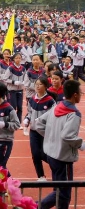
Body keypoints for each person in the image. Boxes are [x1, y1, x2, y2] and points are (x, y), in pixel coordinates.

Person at [36, 80, 84, 209]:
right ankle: (37, 206)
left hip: (51, 154)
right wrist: (81, 144)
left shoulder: (56, 107)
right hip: (63, 157)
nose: (81, 95)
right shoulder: (73, 114)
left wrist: (50, 136)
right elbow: (68, 136)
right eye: (80, 92)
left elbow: (38, 123)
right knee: (64, 193)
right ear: (75, 94)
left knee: (58, 187)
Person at [23, 77, 55, 181]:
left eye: (40, 84)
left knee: (45, 153)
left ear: (46, 86)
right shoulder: (32, 99)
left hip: (45, 131)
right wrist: (27, 120)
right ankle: (41, 176)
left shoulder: (50, 101)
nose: (37, 86)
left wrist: (42, 122)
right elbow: (29, 112)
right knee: (35, 153)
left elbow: (53, 116)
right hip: (34, 131)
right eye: (36, 84)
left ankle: (57, 165)